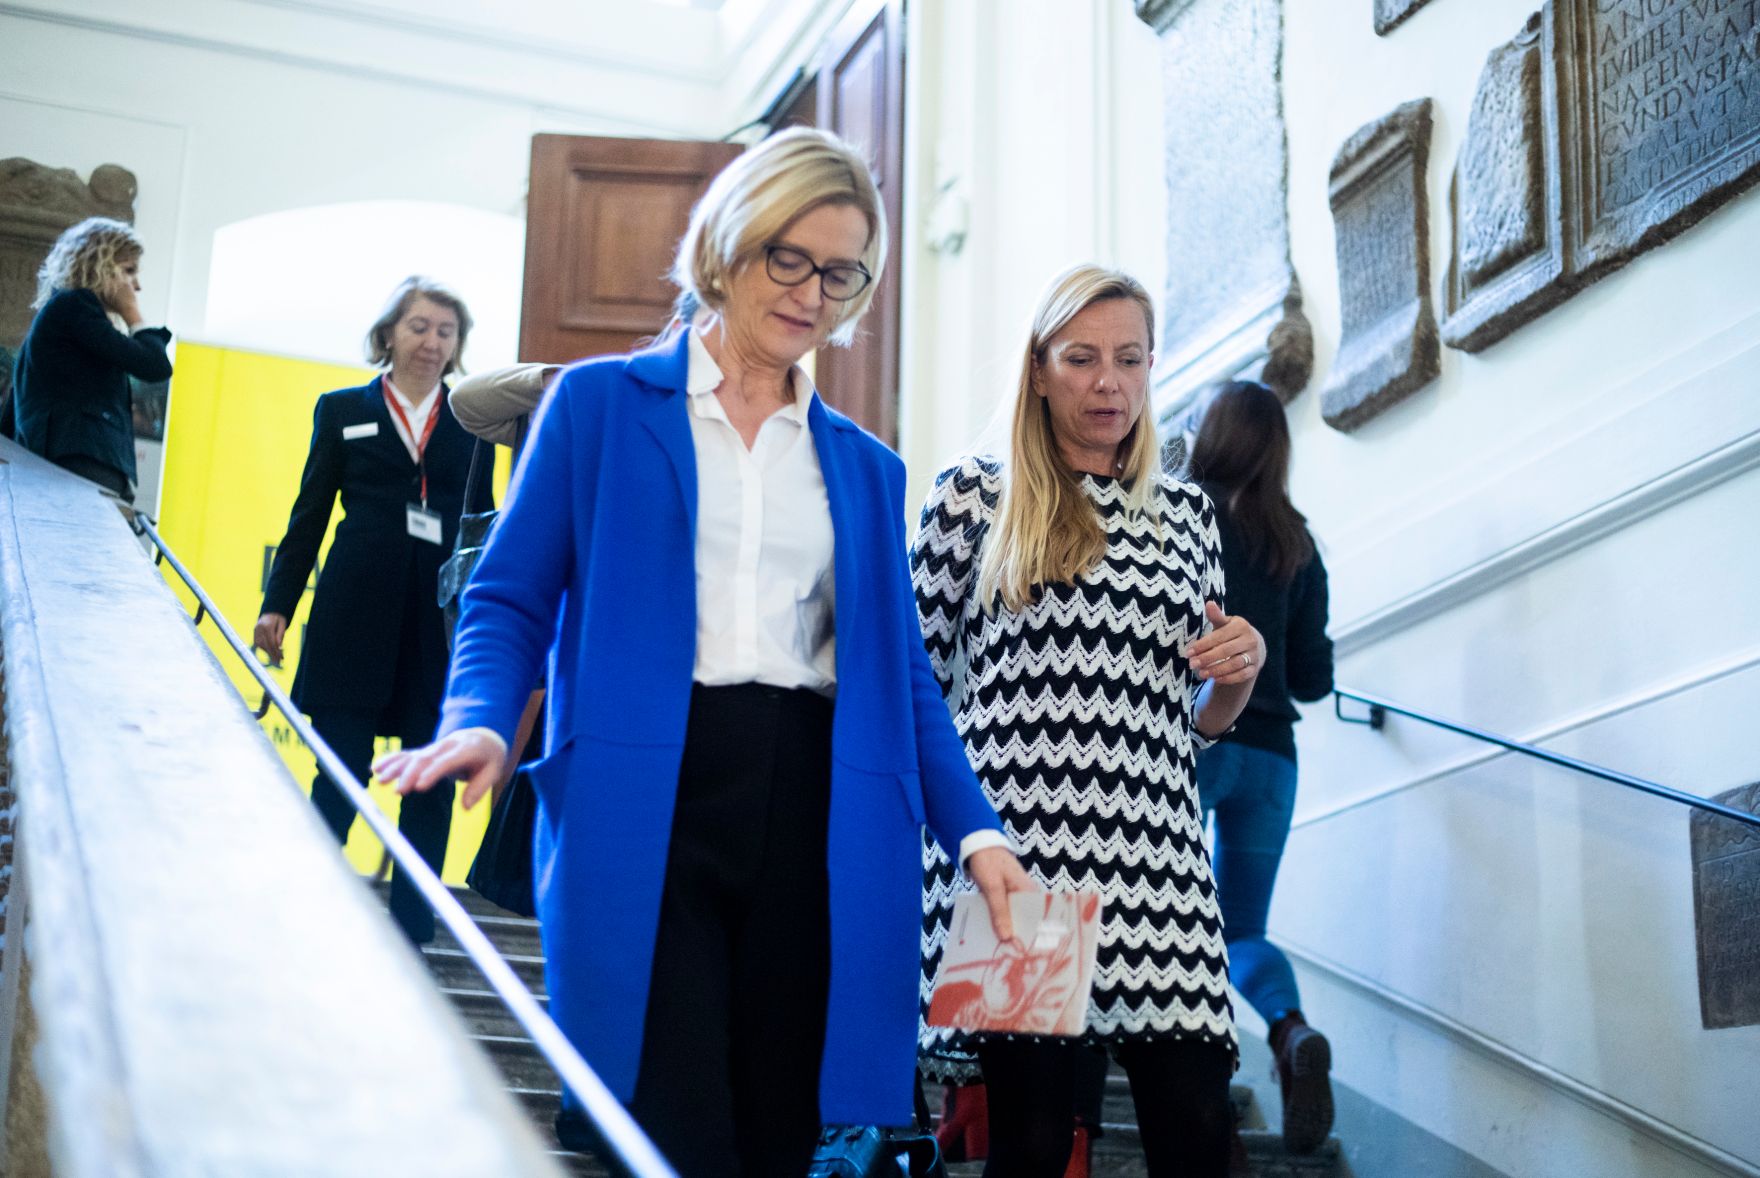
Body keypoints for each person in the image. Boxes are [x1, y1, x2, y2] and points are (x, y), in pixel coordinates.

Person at [371, 128, 1033, 1177]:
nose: (812, 291)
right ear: (730, 243)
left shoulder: (864, 468)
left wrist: (976, 829)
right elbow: (509, 594)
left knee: (775, 1132)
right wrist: (481, 720)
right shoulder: (595, 408)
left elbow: (900, 672)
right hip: (651, 795)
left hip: (817, 808)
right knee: (673, 1121)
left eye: (839, 270)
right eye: (789, 257)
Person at [912, 264, 1265, 1178]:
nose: (1108, 382)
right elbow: (912, 678)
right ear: (1038, 369)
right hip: (1020, 860)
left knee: (1195, 1134)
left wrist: (1240, 672)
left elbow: (1202, 719)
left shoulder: (1187, 515)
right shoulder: (973, 497)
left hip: (1161, 862)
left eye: (1129, 359)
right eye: (1081, 358)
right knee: (1029, 1144)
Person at [254, 276, 490, 945]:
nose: (431, 342)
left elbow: (480, 530)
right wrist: (278, 606)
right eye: (419, 326)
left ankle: (414, 934)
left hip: (434, 630)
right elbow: (309, 516)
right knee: (340, 770)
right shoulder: (341, 409)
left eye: (446, 332)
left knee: (430, 781)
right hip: (353, 614)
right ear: (389, 332)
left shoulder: (475, 422)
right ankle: (305, 917)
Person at [1187, 380, 1335, 1154]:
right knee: (1241, 926)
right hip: (1274, 759)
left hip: (1198, 740)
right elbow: (1315, 676)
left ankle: (1194, 1083)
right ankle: (1289, 1028)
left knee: (1170, 921)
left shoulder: (1182, 511)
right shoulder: (1296, 538)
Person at [9, 217, 172, 501]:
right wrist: (134, 316)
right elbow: (154, 365)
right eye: (129, 271)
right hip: (81, 461)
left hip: (59, 463)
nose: (137, 286)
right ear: (101, 265)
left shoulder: (60, 314)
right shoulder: (75, 306)